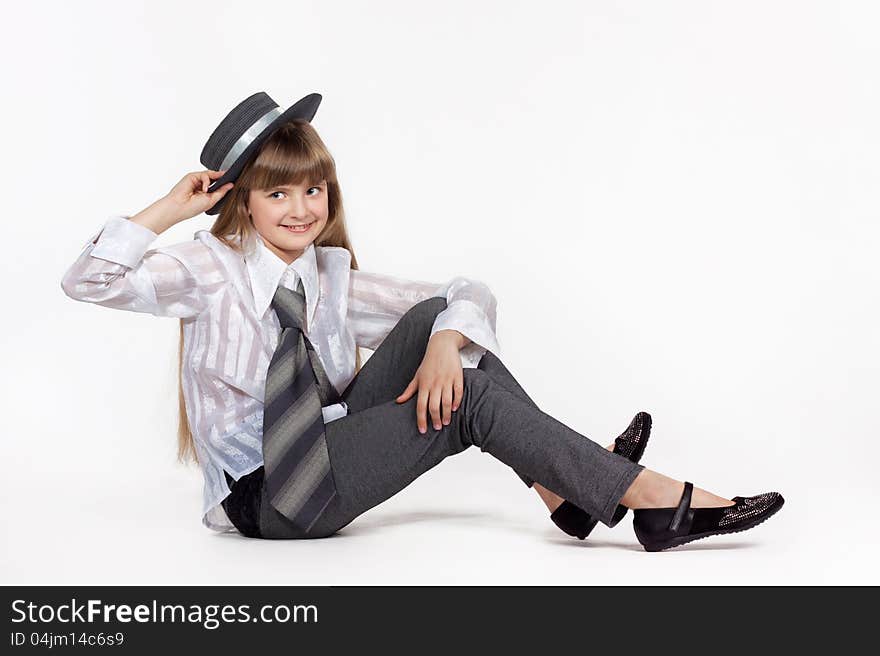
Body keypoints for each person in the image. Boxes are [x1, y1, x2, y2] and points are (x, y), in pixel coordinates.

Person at [60, 91, 784, 552]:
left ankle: (567, 491)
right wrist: (169, 208)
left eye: (314, 189)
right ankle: (645, 494)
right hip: (267, 495)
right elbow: (87, 280)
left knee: (451, 326)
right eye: (278, 193)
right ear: (243, 201)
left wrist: (442, 340)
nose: (302, 209)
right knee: (467, 397)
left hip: (328, 446)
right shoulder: (204, 269)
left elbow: (466, 289)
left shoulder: (329, 275)